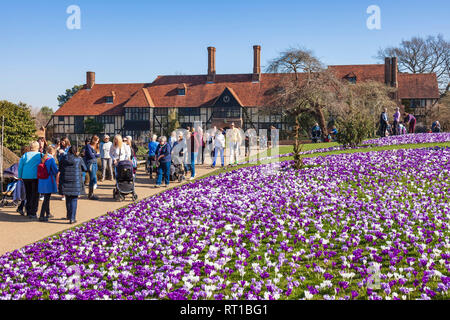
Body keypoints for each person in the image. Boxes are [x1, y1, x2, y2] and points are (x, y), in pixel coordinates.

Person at [59, 146, 87, 224]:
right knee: (74, 199)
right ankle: (72, 218)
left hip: (65, 180)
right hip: (76, 181)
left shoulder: (63, 158)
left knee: (68, 198)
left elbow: (60, 168)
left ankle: (68, 215)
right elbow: (85, 168)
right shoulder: (79, 159)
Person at [18, 141, 42, 219]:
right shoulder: (39, 155)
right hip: (35, 177)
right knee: (35, 195)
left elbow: (20, 166)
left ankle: (28, 210)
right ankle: (33, 212)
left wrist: (20, 176)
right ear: (37, 147)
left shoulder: (25, 155)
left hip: (25, 176)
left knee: (28, 194)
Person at [37, 146, 58, 222]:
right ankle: (42, 215)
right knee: (46, 199)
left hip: (42, 181)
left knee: (46, 197)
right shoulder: (51, 159)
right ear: (52, 152)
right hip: (49, 180)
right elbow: (55, 170)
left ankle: (48, 213)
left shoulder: (42, 158)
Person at [83, 135, 101, 200]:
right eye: (96, 140)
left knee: (93, 178)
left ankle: (91, 194)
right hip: (90, 163)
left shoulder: (95, 146)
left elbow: (98, 155)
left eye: (98, 141)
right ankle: (90, 195)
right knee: (92, 178)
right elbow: (91, 156)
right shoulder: (88, 146)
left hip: (95, 163)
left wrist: (95, 155)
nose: (97, 142)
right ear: (93, 140)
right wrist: (95, 154)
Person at [15, 146, 29, 216]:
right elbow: (20, 168)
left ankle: (21, 208)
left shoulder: (22, 158)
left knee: (25, 194)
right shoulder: (26, 157)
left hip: (23, 178)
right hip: (25, 178)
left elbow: (20, 168)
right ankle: (22, 208)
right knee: (26, 195)